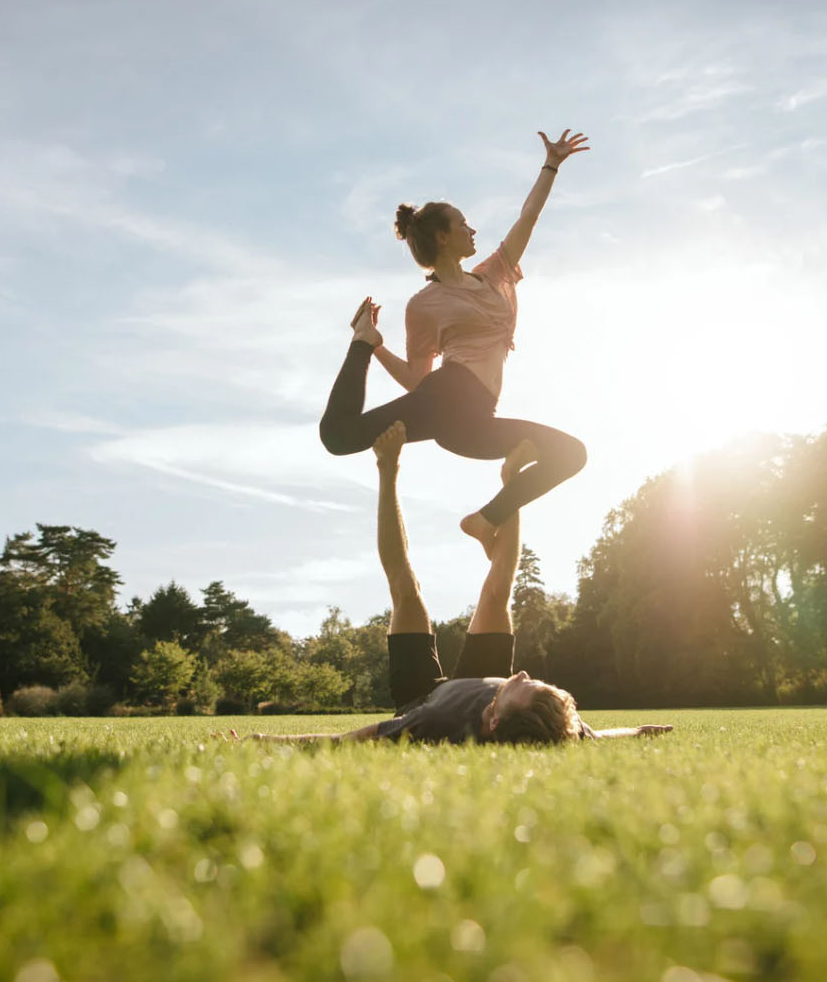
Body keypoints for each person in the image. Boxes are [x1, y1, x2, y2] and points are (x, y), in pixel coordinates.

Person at [238, 422, 672, 744]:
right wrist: (639, 730)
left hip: (422, 697)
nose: (521, 673)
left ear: (495, 720)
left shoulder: (434, 723)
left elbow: (346, 741)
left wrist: (265, 743)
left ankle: (387, 470)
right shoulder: (553, 723)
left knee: (406, 592)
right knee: (499, 590)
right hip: (480, 680)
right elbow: (598, 736)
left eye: (523, 685)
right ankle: (509, 490)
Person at [318, 130, 593, 559]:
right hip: (448, 395)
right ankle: (360, 342)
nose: (472, 228)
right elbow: (417, 379)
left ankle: (484, 520)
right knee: (338, 437)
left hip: (472, 425)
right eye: (463, 222)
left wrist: (551, 165)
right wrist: (375, 347)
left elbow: (527, 220)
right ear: (444, 237)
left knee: (571, 455)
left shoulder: (493, 273)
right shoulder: (423, 305)